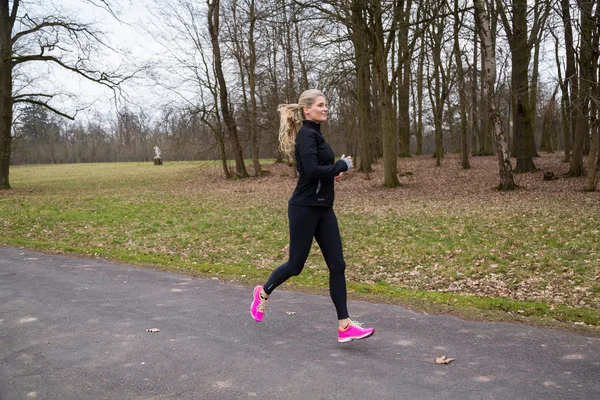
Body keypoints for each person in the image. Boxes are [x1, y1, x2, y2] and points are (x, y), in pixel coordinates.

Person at [250, 89, 374, 343]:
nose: (325, 108)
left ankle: (344, 326)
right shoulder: (306, 134)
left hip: (324, 209)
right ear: (307, 110)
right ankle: (263, 292)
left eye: (326, 104)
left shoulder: (317, 134)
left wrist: (334, 171)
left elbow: (319, 169)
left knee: (337, 265)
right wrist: (341, 166)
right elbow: (311, 169)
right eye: (320, 105)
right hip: (304, 208)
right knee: (295, 266)